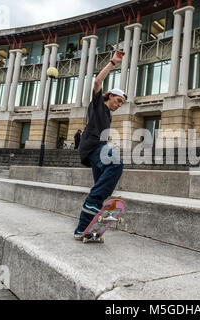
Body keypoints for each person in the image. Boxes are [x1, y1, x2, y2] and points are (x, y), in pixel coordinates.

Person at [74, 50, 127, 239]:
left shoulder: (108, 115)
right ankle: (93, 203)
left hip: (97, 149)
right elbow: (97, 82)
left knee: (99, 186)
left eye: (122, 104)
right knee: (116, 163)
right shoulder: (98, 104)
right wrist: (113, 62)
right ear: (110, 96)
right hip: (92, 147)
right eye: (118, 101)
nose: (119, 105)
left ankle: (83, 228)